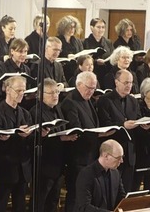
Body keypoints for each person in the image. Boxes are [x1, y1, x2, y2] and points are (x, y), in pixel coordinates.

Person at [60, 71, 115, 212]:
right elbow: (76, 129)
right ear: (78, 84)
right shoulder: (70, 101)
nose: (91, 91)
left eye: (93, 88)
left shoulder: (87, 99)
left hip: (90, 156)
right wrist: (99, 135)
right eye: (88, 88)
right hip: (78, 158)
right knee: (75, 195)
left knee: (88, 195)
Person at [96, 70, 147, 192]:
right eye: (125, 82)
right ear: (116, 82)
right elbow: (105, 124)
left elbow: (138, 119)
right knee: (111, 190)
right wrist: (122, 125)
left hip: (130, 153)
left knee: (127, 189)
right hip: (113, 152)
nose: (129, 85)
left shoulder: (133, 101)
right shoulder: (105, 100)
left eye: (130, 83)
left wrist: (144, 125)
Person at [30, 78, 75, 212]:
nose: (55, 95)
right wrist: (61, 138)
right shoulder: (35, 112)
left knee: (54, 200)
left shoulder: (57, 109)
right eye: (51, 93)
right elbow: (36, 139)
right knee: (41, 201)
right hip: (44, 164)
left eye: (57, 92)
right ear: (40, 95)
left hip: (58, 163)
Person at [0, 75, 34, 212]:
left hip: (22, 167)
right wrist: (15, 136)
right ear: (8, 90)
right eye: (18, 90)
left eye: (23, 91)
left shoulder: (25, 113)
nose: (22, 94)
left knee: (20, 206)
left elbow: (30, 139)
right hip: (5, 167)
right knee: (0, 205)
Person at [74, 139, 127, 212]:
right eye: (118, 157)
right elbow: (84, 207)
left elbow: (121, 198)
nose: (121, 161)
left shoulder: (116, 173)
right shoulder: (86, 174)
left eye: (122, 157)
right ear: (106, 156)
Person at [83, 18, 113, 88]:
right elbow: (83, 59)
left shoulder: (108, 42)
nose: (101, 30)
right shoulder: (84, 42)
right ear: (91, 28)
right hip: (93, 72)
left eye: (103, 27)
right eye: (98, 27)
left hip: (106, 73)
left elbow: (112, 56)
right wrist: (96, 61)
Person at [56, 15, 84, 83]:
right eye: (69, 27)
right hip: (63, 70)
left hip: (75, 71)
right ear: (63, 28)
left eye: (73, 27)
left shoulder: (77, 41)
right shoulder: (57, 40)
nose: (72, 29)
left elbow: (81, 53)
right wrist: (66, 57)